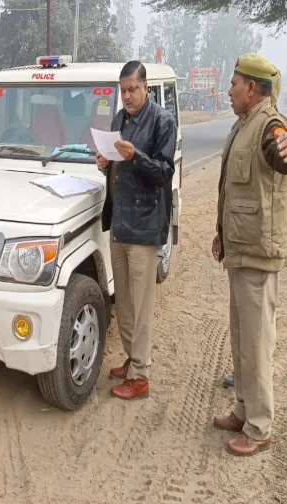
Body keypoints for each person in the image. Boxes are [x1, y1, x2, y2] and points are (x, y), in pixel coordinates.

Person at [211, 54, 287, 457]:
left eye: (233, 83)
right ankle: (243, 410)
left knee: (258, 343)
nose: (228, 91)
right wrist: (221, 236)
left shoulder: (270, 126)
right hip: (240, 252)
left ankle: (260, 427)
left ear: (252, 88)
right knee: (242, 339)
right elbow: (232, 192)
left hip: (260, 256)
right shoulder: (242, 124)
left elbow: (286, 160)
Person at [97, 60, 177, 400]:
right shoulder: (119, 120)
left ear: (145, 87)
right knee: (125, 301)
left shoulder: (162, 121)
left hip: (144, 226)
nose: (127, 96)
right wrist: (105, 163)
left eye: (133, 89)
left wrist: (135, 157)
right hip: (120, 222)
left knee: (142, 305)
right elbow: (116, 170)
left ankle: (141, 375)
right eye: (123, 89)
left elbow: (163, 172)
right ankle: (132, 359)